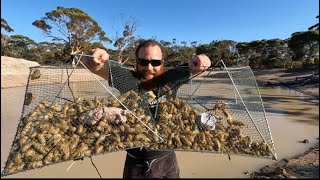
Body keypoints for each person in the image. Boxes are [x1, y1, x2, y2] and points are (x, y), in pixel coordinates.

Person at [82, 39, 211, 178]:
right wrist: (92, 56)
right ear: (136, 61)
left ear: (163, 62)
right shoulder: (127, 79)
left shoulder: (170, 78)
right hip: (136, 162)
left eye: (155, 62)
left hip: (167, 158)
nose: (149, 68)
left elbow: (197, 65)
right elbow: (92, 65)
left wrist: (203, 59)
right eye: (143, 62)